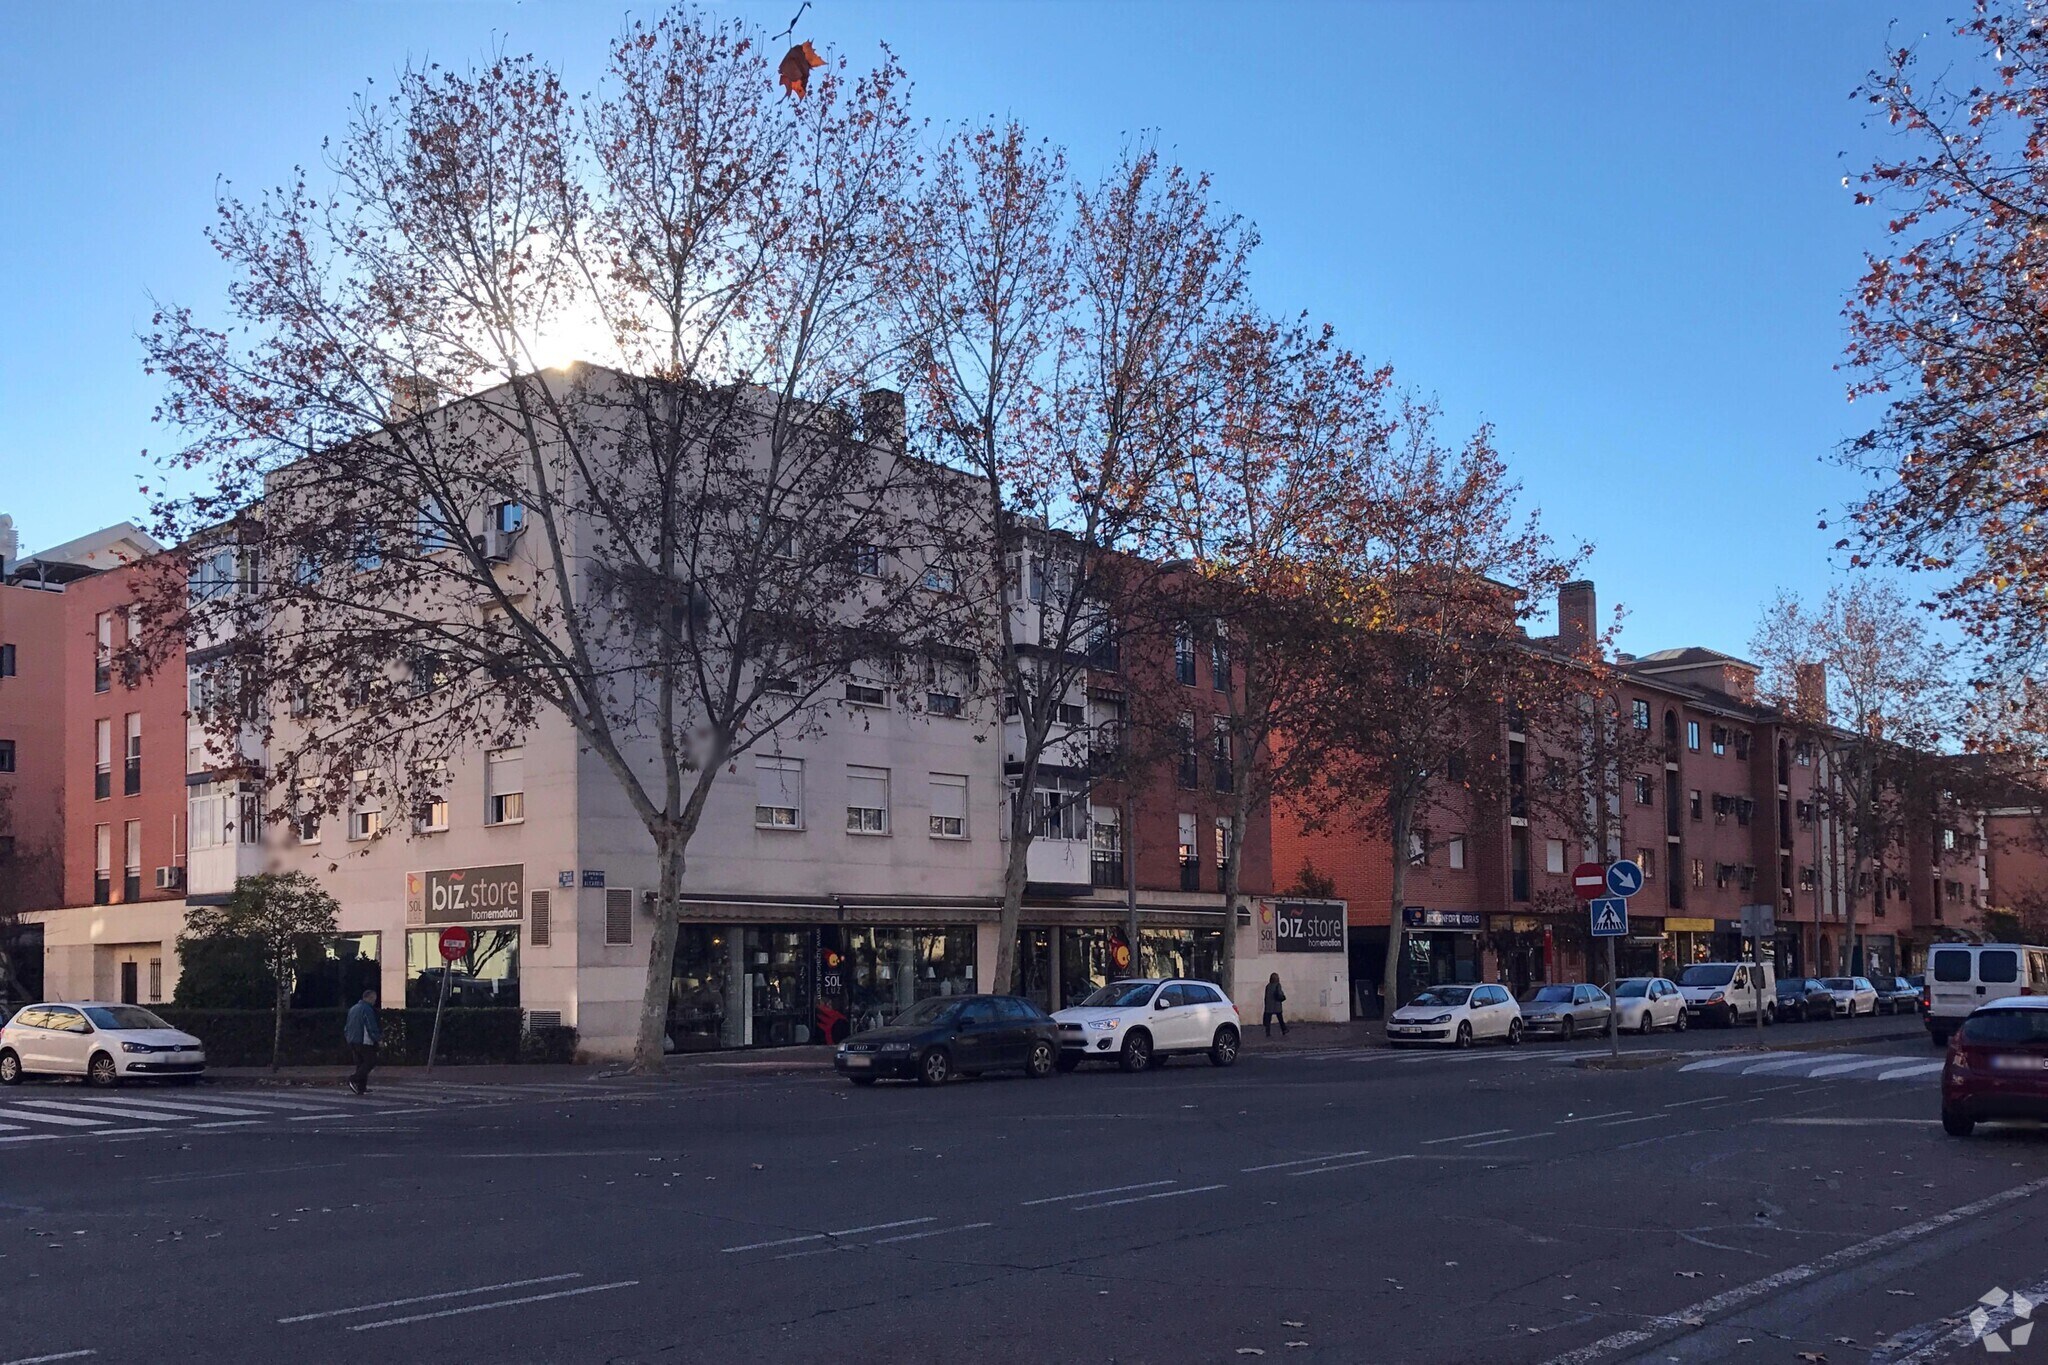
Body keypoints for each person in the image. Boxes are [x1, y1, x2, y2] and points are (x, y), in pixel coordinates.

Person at [344, 988, 381, 1095]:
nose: (375, 1001)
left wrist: (348, 1037)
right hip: (364, 1040)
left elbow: (347, 1026)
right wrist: (377, 1039)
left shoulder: (353, 1008)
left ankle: (361, 1087)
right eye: (374, 999)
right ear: (370, 998)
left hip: (352, 1039)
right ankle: (354, 1079)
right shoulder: (367, 1009)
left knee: (360, 1063)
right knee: (371, 1061)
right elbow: (370, 1025)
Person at [1263, 972, 1288, 1038]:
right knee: (1280, 1019)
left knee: (1268, 1021)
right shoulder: (1277, 985)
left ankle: (1267, 1033)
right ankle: (1284, 1030)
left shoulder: (1268, 986)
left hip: (1269, 1006)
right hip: (1276, 1005)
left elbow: (1266, 996)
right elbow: (1279, 993)